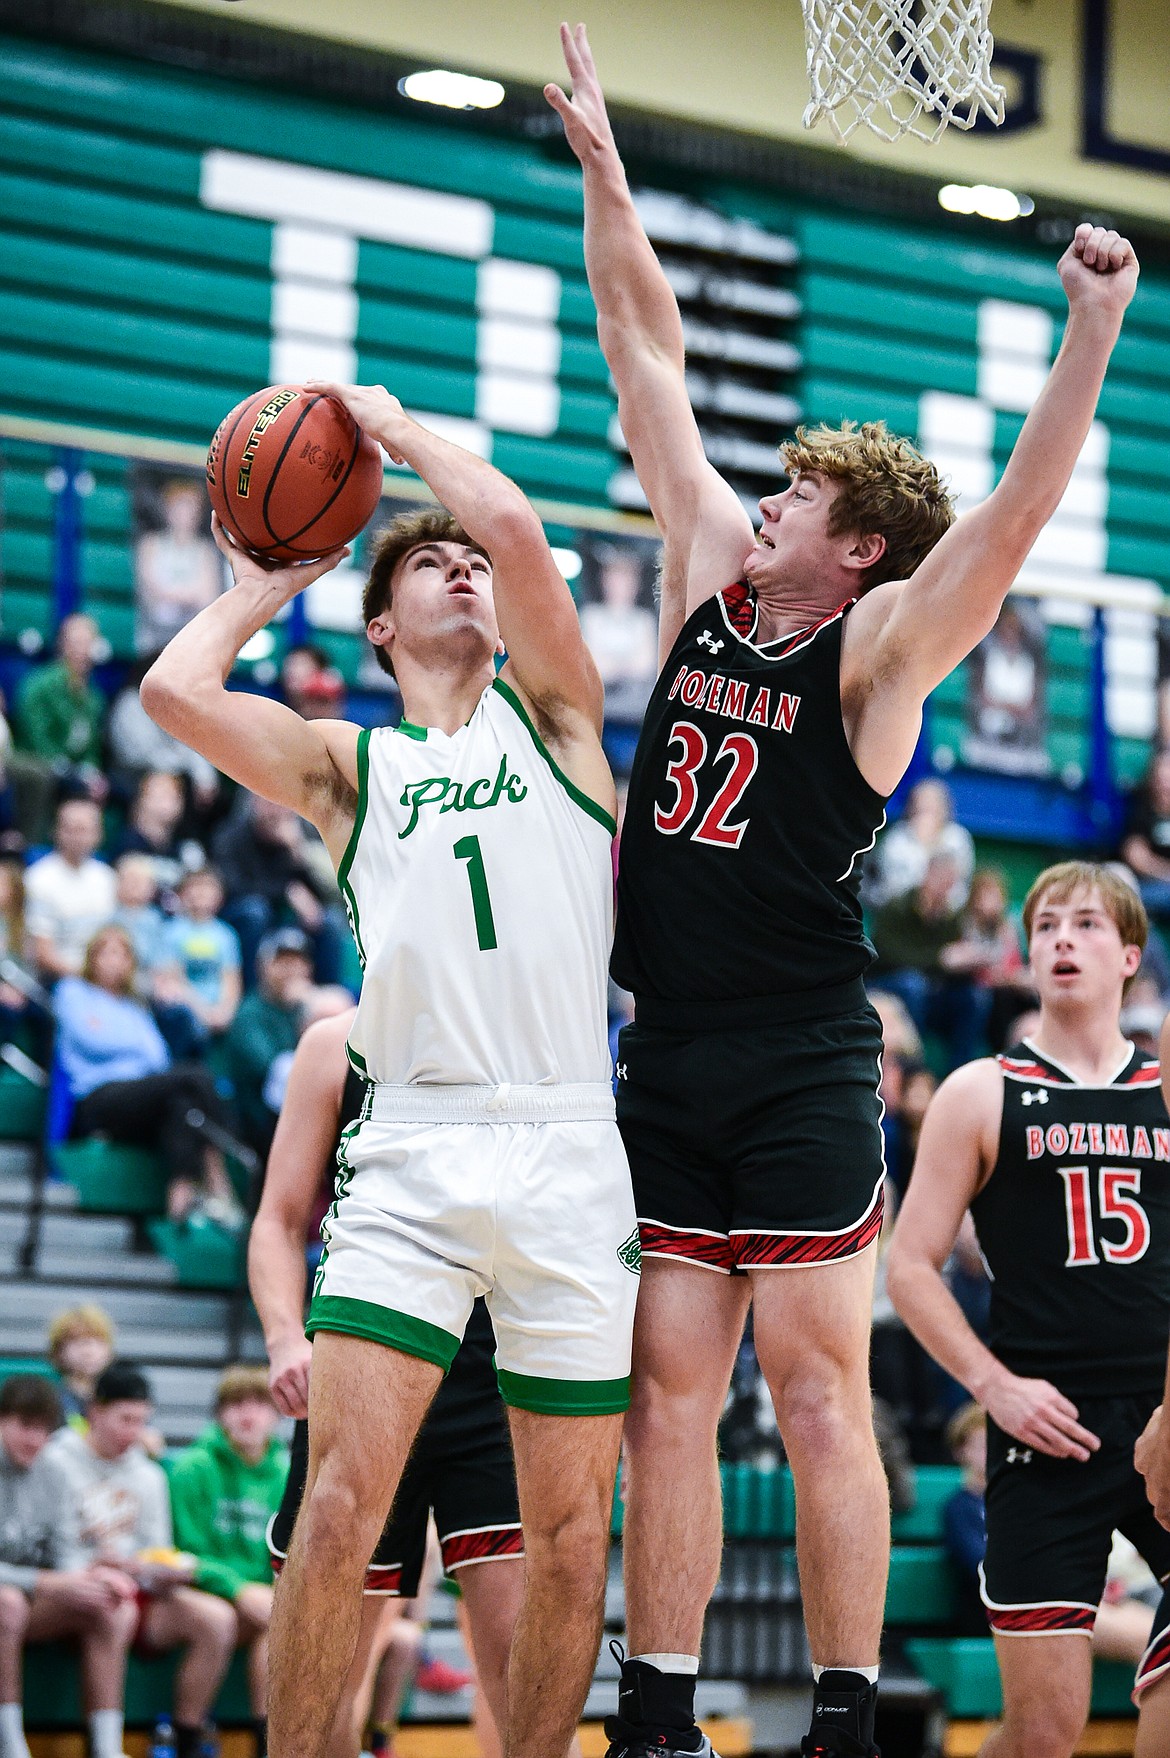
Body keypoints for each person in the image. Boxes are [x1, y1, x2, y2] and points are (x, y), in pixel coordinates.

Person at [546, 25, 1139, 1758]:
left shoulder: (879, 656)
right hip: (670, 1048)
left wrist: (1088, 329)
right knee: (670, 1388)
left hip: (808, 1050)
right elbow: (646, 346)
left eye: (797, 493)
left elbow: (1012, 529)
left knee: (812, 1388)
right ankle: (655, 1704)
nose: (765, 499)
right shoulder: (701, 577)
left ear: (858, 544)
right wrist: (606, 175)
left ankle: (839, 1711)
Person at [141, 380, 638, 1758]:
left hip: (565, 1139)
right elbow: (175, 691)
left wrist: (401, 430)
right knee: (341, 1509)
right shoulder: (349, 765)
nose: (466, 570)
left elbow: (523, 531)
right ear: (377, 626)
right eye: (428, 561)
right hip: (411, 1147)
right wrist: (271, 575)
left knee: (562, 1532)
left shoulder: (559, 724)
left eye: (468, 563)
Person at [886, 861, 1170, 1757]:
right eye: (1045, 925)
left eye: (1086, 925)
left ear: (1131, 955)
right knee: (1044, 1731)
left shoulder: (1162, 1087)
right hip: (1043, 1429)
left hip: (1162, 1409)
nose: (1060, 941)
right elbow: (910, 1266)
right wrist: (993, 1385)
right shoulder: (980, 1090)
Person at [250, 1007, 528, 1758]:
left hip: (494, 1373)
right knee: (329, 1675)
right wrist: (283, 1340)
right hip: (360, 1358)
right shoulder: (333, 1044)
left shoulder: (528, 1027)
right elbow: (278, 1219)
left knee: (520, 1674)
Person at [39, 1363, 237, 1758]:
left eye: (141, 1421)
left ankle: (186, 1739)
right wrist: (101, 1569)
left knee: (217, 1618)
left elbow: (155, 1548)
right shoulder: (56, 1460)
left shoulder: (148, 1475)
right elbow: (52, 1548)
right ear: (95, 1412)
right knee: (115, 1606)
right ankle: (103, 1745)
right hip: (67, 1587)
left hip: (135, 1586)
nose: (133, 1432)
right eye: (125, 1419)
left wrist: (158, 1572)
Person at [54, 925, 236, 1223]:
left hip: (139, 1096)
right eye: (107, 953)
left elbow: (157, 1056)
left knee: (184, 1106)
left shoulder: (135, 1005)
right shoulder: (72, 992)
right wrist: (132, 1043)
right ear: (92, 958)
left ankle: (179, 1202)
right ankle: (218, 1173)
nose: (114, 961)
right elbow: (91, 1040)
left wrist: (120, 1039)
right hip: (97, 1096)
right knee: (195, 1075)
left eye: (121, 954)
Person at [0, 1374, 136, 1758]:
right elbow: (49, 1578)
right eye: (25, 1427)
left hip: (32, 1601)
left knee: (110, 1605)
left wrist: (93, 1575)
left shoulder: (54, 1472)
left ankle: (107, 1747)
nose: (35, 1441)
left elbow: (66, 1552)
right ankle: (10, 1744)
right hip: (12, 1600)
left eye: (44, 1430)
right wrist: (50, 1582)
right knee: (6, 1602)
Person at [168, 1367, 291, 1755]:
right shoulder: (193, 1468)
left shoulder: (287, 1473)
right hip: (194, 1592)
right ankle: (185, 1739)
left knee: (280, 1624)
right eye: (236, 1404)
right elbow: (183, 1552)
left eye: (259, 1404)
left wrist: (266, 1594)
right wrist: (238, 1590)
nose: (248, 1415)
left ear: (277, 1414)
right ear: (220, 1414)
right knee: (220, 1619)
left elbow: (289, 1554)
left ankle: (267, 1745)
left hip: (258, 1598)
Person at [213, 794, 346, 985]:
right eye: (268, 803)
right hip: (244, 914)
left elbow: (328, 891)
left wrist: (298, 851)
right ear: (254, 804)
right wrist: (285, 891)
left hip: (289, 916)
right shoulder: (231, 835)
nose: (275, 810)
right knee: (255, 912)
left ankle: (327, 993)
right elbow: (232, 886)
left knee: (329, 921)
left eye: (282, 804)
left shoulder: (302, 834)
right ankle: (252, 992)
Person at [221, 928, 314, 1157]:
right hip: (262, 1124)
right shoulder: (249, 1014)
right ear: (264, 967)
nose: (290, 971)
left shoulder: (308, 1008)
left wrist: (310, 1010)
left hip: (303, 1119)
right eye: (282, 963)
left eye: (297, 962)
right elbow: (275, 1071)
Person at [14, 616, 107, 828]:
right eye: (76, 643)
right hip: (37, 759)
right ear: (62, 645)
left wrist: (91, 771)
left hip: (72, 768)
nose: (82, 650)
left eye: (87, 643)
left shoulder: (94, 697)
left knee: (99, 785)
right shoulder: (40, 685)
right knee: (56, 779)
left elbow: (91, 748)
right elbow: (35, 738)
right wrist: (66, 769)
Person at [23, 799, 116, 982]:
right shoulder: (38, 879)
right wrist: (90, 977)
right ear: (56, 832)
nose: (76, 836)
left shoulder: (108, 878)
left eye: (83, 830)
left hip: (105, 976)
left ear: (98, 834)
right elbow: (42, 953)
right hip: (58, 978)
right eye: (69, 829)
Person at [134, 478, 223, 655]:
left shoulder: (206, 551)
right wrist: (187, 595)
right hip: (154, 638)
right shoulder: (150, 545)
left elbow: (208, 598)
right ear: (167, 510)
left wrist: (171, 595)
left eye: (190, 507)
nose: (184, 513)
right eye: (179, 506)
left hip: (191, 638)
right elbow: (151, 593)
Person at [866, 778, 975, 913]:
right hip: (901, 912)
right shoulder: (897, 838)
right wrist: (923, 844)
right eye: (921, 805)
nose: (926, 811)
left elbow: (962, 886)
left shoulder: (958, 838)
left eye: (932, 806)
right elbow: (893, 886)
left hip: (946, 914)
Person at [159, 868, 243, 1040]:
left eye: (207, 887)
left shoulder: (226, 935)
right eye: (195, 887)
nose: (200, 893)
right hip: (187, 1009)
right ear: (182, 894)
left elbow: (231, 979)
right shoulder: (171, 931)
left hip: (219, 1013)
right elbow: (173, 978)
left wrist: (224, 1012)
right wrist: (202, 1012)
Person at [46, 1305, 116, 1422]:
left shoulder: (120, 1401)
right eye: (76, 1341)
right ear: (58, 1351)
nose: (87, 1351)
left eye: (97, 1341)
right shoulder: (50, 1401)